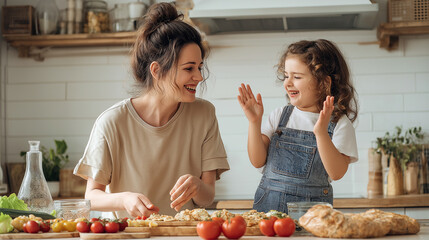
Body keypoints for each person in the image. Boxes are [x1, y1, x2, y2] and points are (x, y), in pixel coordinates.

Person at [74, 2, 230, 218]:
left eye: (200, 67)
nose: (199, 77)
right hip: (130, 234)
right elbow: (91, 197)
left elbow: (207, 197)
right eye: (189, 68)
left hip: (181, 234)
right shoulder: (112, 121)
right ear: (157, 70)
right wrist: (124, 198)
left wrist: (197, 186)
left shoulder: (204, 114)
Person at [237, 39, 358, 213]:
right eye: (286, 76)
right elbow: (257, 161)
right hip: (268, 216)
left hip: (312, 217)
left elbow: (336, 172)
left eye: (297, 77)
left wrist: (321, 133)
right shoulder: (280, 116)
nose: (287, 83)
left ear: (324, 83)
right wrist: (254, 122)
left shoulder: (339, 123)